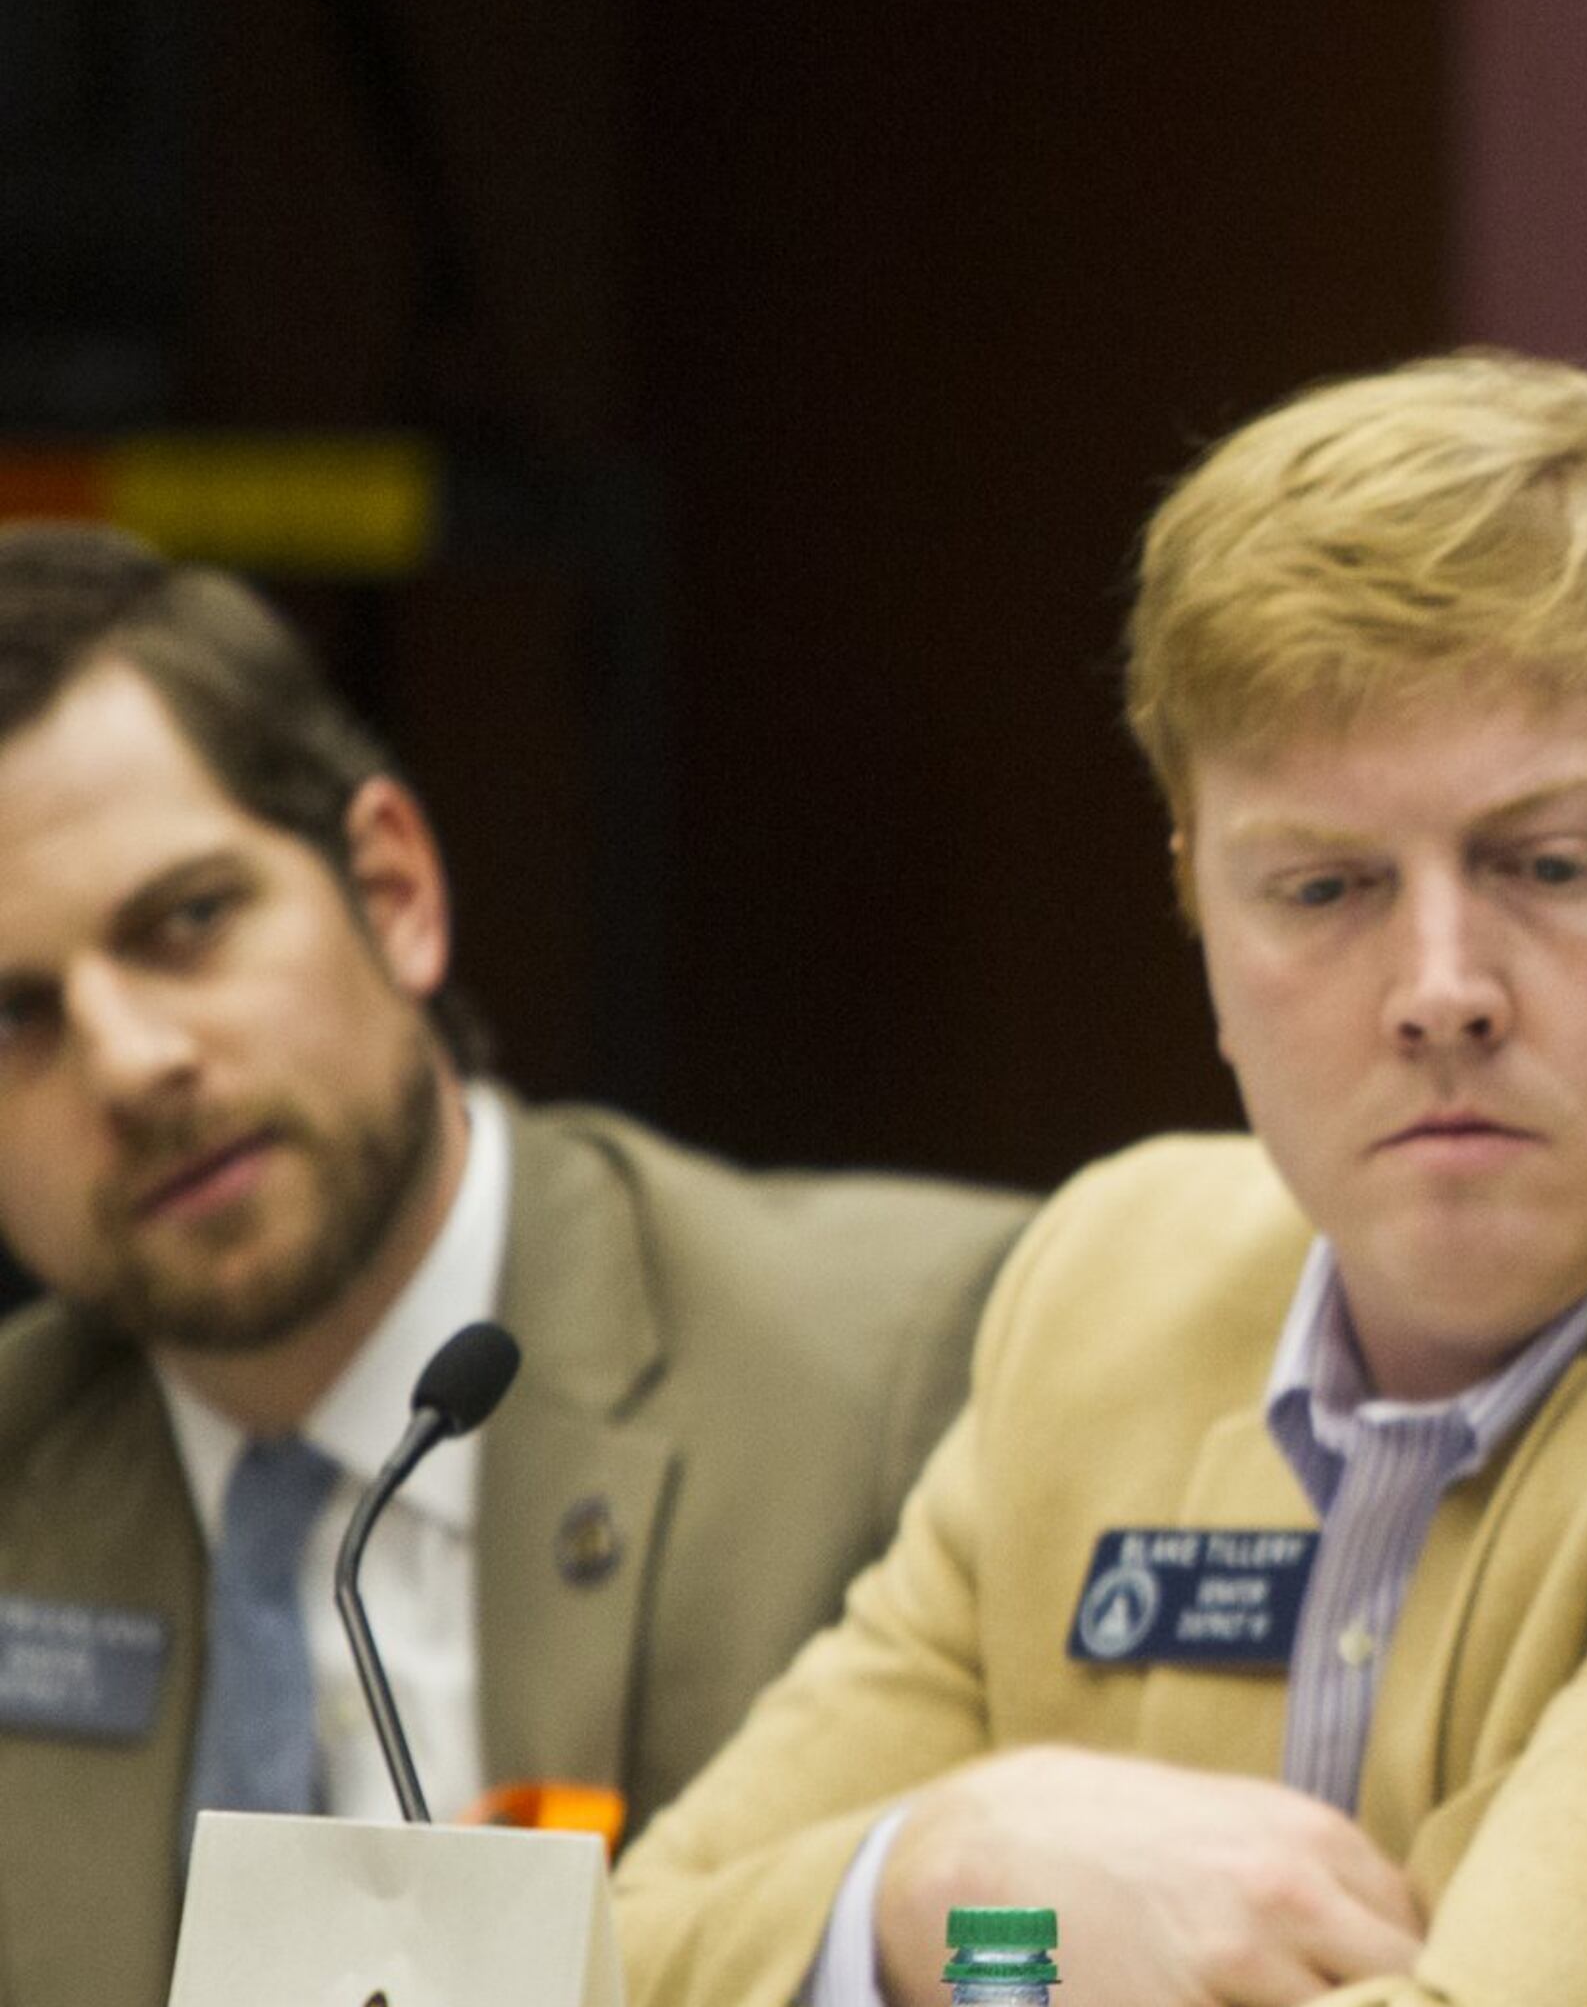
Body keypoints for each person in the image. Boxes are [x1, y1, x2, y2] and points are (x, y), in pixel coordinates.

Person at [608, 353, 1587, 2007]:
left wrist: (989, 1971)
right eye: (1322, 887)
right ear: (1197, 908)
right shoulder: (1110, 1288)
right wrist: (937, 1879)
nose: (1441, 985)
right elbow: (600, 1964)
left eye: (1548, 866)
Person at [0, 526, 1032, 2007]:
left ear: (396, 889)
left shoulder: (916, 1372)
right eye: (13, 1015)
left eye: (187, 923)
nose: (131, 1060)